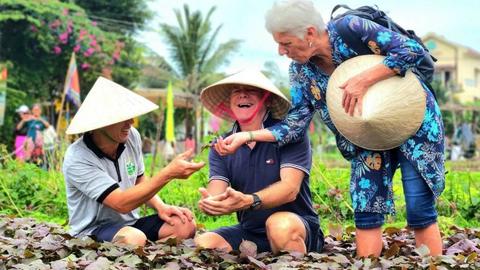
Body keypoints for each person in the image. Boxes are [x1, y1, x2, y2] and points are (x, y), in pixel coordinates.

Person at [214, 0, 445, 257]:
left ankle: (433, 263)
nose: (281, 51)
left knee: (419, 203)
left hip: (411, 119)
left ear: (310, 33)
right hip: (364, 135)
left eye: (286, 43)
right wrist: (245, 136)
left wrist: (363, 79)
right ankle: (367, 263)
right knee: (366, 203)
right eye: (278, 44)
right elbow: (294, 124)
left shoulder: (351, 28)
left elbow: (411, 50)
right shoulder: (301, 70)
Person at [62, 77, 204, 246]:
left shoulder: (131, 137)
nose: (130, 122)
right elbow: (121, 203)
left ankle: (144, 252)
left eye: (130, 116)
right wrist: (168, 173)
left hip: (130, 224)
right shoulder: (77, 158)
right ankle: (140, 248)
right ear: (99, 123)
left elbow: (139, 180)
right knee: (133, 239)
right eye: (122, 117)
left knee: (184, 225)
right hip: (92, 230)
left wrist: (161, 207)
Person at [194, 70, 324, 254]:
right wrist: (212, 203)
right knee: (204, 243)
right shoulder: (222, 145)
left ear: (268, 100)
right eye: (236, 91)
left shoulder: (290, 135)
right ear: (230, 103)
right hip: (251, 231)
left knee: (279, 225)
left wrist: (249, 200)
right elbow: (216, 192)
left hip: (295, 224)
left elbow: (290, 190)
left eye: (251, 90)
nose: (243, 94)